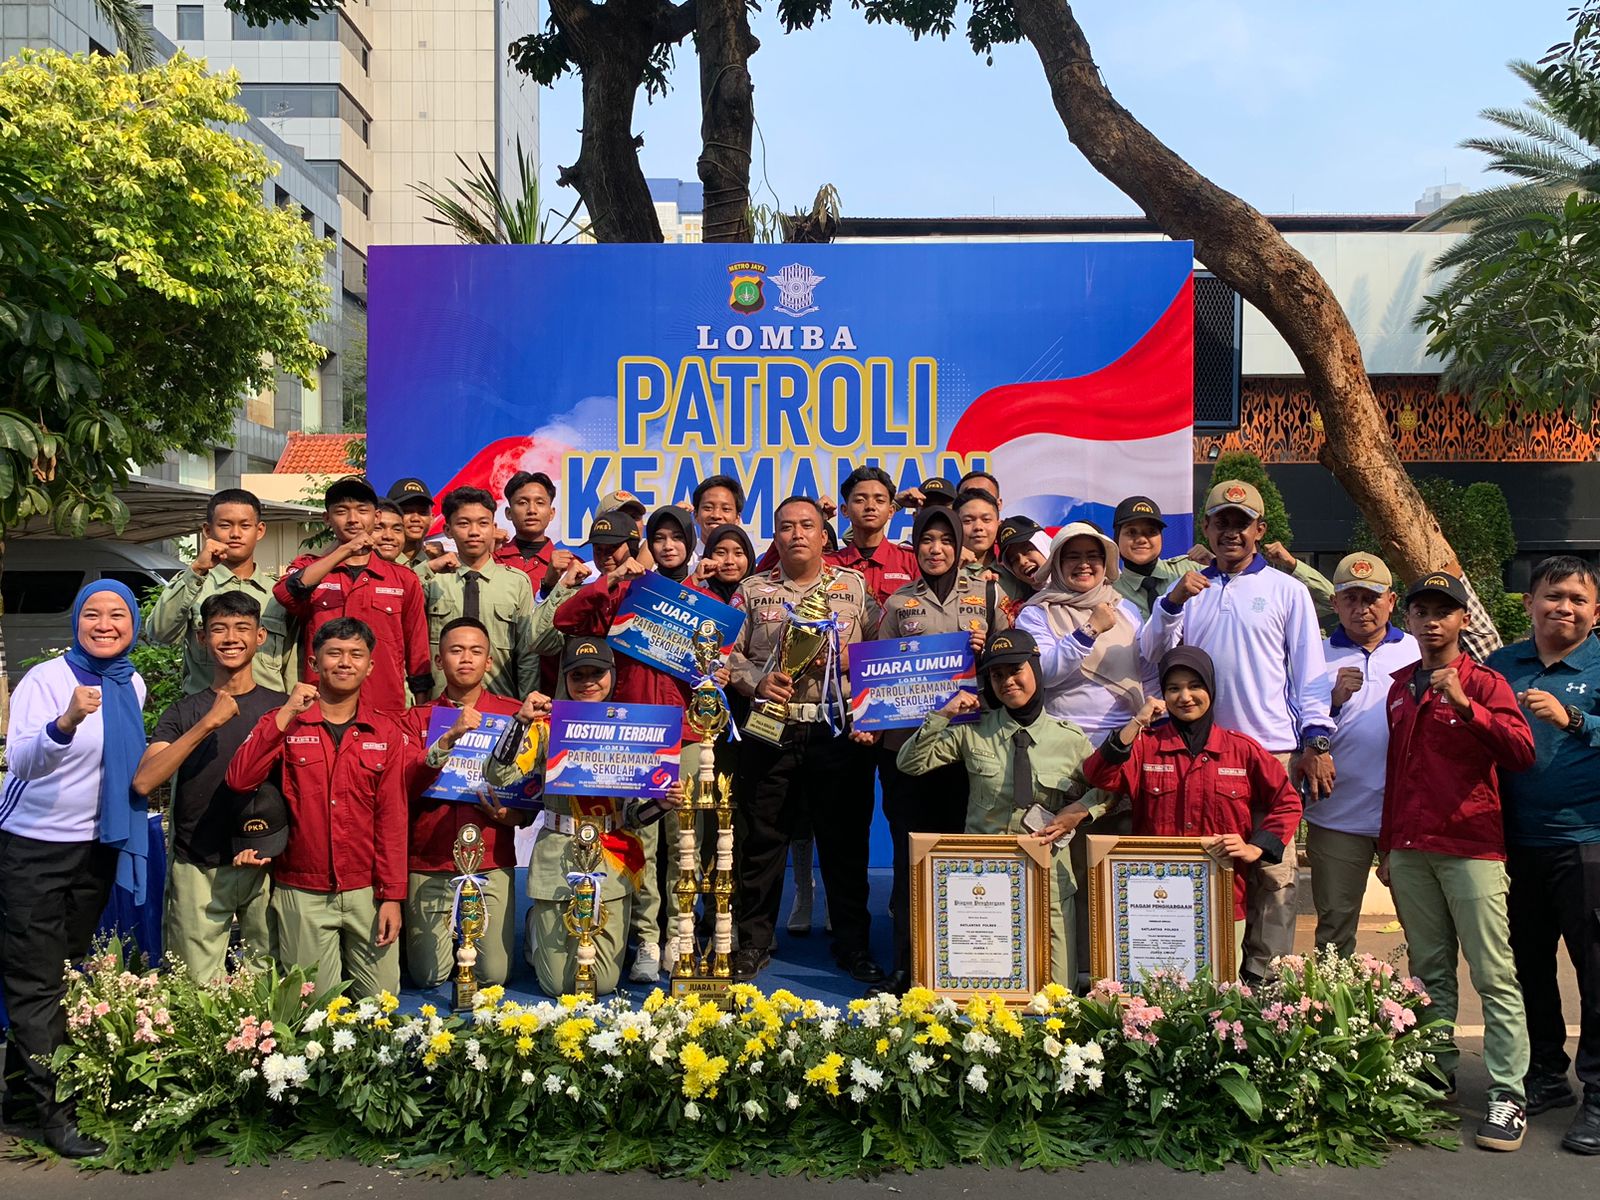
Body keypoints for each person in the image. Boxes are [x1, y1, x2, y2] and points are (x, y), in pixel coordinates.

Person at [1147, 479, 1334, 979]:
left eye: (1242, 523)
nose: (1231, 532)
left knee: (1273, 873)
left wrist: (1315, 741)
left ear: (1260, 530)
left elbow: (1310, 676)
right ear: (1205, 527)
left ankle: (1264, 984)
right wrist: (1171, 603)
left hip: (1270, 750)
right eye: (1221, 522)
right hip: (1200, 751)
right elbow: (1151, 654)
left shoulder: (1287, 589)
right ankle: (1203, 978)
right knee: (1207, 868)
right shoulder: (1190, 588)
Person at [1380, 571, 1535, 1151]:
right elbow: (1398, 771)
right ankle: (1435, 1073)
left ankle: (1506, 1094)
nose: (1431, 621)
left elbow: (1521, 753)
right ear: (1411, 621)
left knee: (1494, 974)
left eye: (1443, 611)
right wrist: (1388, 847)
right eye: (1421, 611)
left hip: (1472, 846)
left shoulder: (1487, 683)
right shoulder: (1399, 686)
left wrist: (1467, 706)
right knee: (1429, 972)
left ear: (1462, 620)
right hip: (1412, 848)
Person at [0, 582, 147, 1157]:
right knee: (36, 980)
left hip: (95, 846)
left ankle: (16, 1094)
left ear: (133, 623)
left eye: (117, 614)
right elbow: (22, 761)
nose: (105, 624)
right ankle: (55, 1115)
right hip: (33, 846)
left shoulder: (128, 681)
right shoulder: (47, 680)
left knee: (61, 970)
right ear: (76, 623)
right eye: (92, 614)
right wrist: (64, 722)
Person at [727, 495, 881, 983]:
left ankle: (853, 945)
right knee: (762, 839)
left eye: (807, 525)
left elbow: (885, 651)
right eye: (787, 526)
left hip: (835, 728)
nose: (797, 534)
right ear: (775, 536)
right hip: (771, 728)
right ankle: (753, 942)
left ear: (823, 535)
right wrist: (755, 683)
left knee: (845, 843)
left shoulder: (853, 588)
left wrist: (859, 683)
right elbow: (725, 655)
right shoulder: (752, 592)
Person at [554, 504, 709, 982]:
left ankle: (681, 935)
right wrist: (614, 575)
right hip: (632, 734)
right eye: (658, 538)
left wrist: (717, 673)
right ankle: (645, 939)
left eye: (675, 538)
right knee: (639, 841)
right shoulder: (617, 591)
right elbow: (565, 618)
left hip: (686, 734)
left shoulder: (699, 601)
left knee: (686, 843)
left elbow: (717, 659)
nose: (666, 546)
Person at [896, 628, 1096, 986]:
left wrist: (1080, 810)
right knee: (986, 983)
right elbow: (910, 763)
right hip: (983, 877)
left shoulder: (1070, 740)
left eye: (1016, 670)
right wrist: (943, 714)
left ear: (1035, 669)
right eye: (997, 675)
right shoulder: (973, 730)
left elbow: (1111, 790)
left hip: (1048, 874)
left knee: (1058, 991)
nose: (1007, 682)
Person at [1080, 646, 1304, 965]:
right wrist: (1136, 722)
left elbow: (1288, 800)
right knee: (1156, 995)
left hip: (1224, 895)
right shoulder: (1147, 748)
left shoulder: (1241, 751)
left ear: (1210, 689)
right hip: (1156, 902)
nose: (1185, 696)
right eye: (1174, 688)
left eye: (1194, 686)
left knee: (1219, 994)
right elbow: (1098, 774)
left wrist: (1258, 847)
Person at [485, 638, 683, 998]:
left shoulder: (635, 730)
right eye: (579, 675)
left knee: (602, 984)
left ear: (612, 676)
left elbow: (636, 818)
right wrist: (520, 721)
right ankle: (536, 927)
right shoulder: (546, 725)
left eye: (597, 674)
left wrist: (665, 803)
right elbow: (498, 775)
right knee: (556, 985)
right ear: (566, 678)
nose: (588, 682)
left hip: (610, 856)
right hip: (557, 855)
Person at [226, 617, 410, 999]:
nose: (345, 662)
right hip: (302, 889)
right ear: (314, 663)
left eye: (356, 654)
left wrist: (392, 895)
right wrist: (286, 713)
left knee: (381, 1004)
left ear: (370, 666)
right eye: (335, 653)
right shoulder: (287, 721)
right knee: (313, 1007)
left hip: (367, 892)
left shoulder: (387, 732)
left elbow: (392, 818)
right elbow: (240, 778)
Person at [1486, 555, 1600, 1153]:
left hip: (1588, 842)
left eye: (1579, 600)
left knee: (1596, 972)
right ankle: (1547, 1076)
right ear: (1529, 602)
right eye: (1554, 596)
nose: (1566, 608)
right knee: (1528, 965)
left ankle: (1599, 1094)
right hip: (1513, 842)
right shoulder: (1502, 665)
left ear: (1595, 611)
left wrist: (1576, 718)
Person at [867, 504, 1005, 994]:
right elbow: (877, 679)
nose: (937, 548)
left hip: (967, 749)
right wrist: (868, 721)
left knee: (958, 854)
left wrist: (990, 646)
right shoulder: (898, 602)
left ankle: (959, 961)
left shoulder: (988, 593)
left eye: (946, 539)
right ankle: (906, 966)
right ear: (917, 545)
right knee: (910, 857)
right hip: (907, 750)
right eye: (927, 539)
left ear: (960, 545)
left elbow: (1010, 667)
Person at [133, 592, 288, 982]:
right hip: (197, 859)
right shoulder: (184, 711)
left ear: (261, 637)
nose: (230, 638)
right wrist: (208, 723)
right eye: (219, 629)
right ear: (202, 638)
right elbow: (145, 780)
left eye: (242, 628)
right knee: (196, 986)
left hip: (264, 861)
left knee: (266, 984)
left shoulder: (281, 708)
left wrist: (275, 845)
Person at [400, 618, 529, 989]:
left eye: (476, 651)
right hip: (430, 860)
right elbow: (403, 786)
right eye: (456, 651)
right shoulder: (416, 720)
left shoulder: (514, 715)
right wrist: (446, 739)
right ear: (439, 661)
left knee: (493, 977)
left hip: (490, 857)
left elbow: (531, 795)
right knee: (428, 977)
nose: (466, 659)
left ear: (489, 661)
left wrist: (511, 815)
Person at [1306, 553, 1417, 957]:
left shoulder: (1417, 650)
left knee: (1423, 927)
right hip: (1338, 814)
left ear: (1391, 600)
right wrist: (1331, 702)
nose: (1361, 608)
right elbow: (1293, 722)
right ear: (1334, 603)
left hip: (1406, 815)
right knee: (1334, 929)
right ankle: (1334, 1016)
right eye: (1350, 598)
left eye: (1371, 598)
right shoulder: (1313, 654)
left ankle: (1428, 1016)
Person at [273, 477, 432, 713]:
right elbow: (286, 594)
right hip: (320, 707)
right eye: (341, 511)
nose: (353, 519)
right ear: (327, 518)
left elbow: (419, 656)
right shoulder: (311, 568)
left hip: (384, 708)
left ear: (376, 516)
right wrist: (345, 549)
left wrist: (421, 714)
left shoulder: (403, 579)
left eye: (362, 510)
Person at [1016, 522, 1158, 744]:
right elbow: (1043, 674)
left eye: (1093, 556)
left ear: (1104, 562)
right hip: (1062, 740)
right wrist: (1089, 631)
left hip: (1127, 738)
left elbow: (1147, 673)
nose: (1084, 565)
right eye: (1073, 557)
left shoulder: (1124, 608)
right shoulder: (1036, 613)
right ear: (1057, 564)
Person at [146, 487, 294, 695]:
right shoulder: (194, 585)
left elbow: (291, 664)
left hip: (267, 717)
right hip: (204, 714)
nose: (235, 534)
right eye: (225, 525)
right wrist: (197, 569)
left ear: (259, 530)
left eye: (245, 525)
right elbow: (159, 633)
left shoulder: (278, 594)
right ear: (207, 531)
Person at [421, 486, 540, 702]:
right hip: (440, 705)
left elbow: (527, 654)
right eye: (463, 523)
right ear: (448, 530)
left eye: (483, 523)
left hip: (499, 705)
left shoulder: (516, 582)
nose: (474, 532)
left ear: (494, 528)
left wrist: (524, 705)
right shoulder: (433, 579)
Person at [828, 466, 918, 609]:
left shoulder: (911, 561)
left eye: (879, 500)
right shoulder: (827, 564)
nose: (870, 506)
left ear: (891, 511)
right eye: (860, 500)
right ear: (845, 511)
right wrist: (814, 516)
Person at [1111, 496, 1208, 621]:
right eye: (1131, 532)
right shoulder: (1109, 591)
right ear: (1117, 537)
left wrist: (1217, 562)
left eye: (1151, 531)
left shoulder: (1191, 568)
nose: (1141, 539)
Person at [494, 471, 581, 601]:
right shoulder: (491, 561)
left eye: (540, 503)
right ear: (508, 513)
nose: (532, 510)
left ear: (551, 513)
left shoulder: (572, 566)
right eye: (522, 503)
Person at [995, 514, 1050, 619]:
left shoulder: (1082, 584)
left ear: (1044, 546)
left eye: (1028, 550)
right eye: (1014, 560)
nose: (1022, 561)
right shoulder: (1026, 611)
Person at [386, 477, 436, 572]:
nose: (415, 519)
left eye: (423, 512)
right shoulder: (376, 561)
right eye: (406, 511)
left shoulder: (443, 565)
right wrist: (429, 568)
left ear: (432, 519)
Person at [691, 473, 746, 546]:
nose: (716, 515)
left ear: (737, 518)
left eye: (725, 509)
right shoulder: (686, 557)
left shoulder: (743, 557)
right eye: (708, 508)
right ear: (696, 515)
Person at [956, 488, 1001, 569]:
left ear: (998, 523)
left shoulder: (1013, 568)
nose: (978, 527)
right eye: (968, 520)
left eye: (986, 519)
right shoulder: (942, 567)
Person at [371, 500, 408, 565]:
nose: (389, 536)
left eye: (397, 529)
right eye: (378, 528)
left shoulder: (407, 574)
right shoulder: (349, 573)